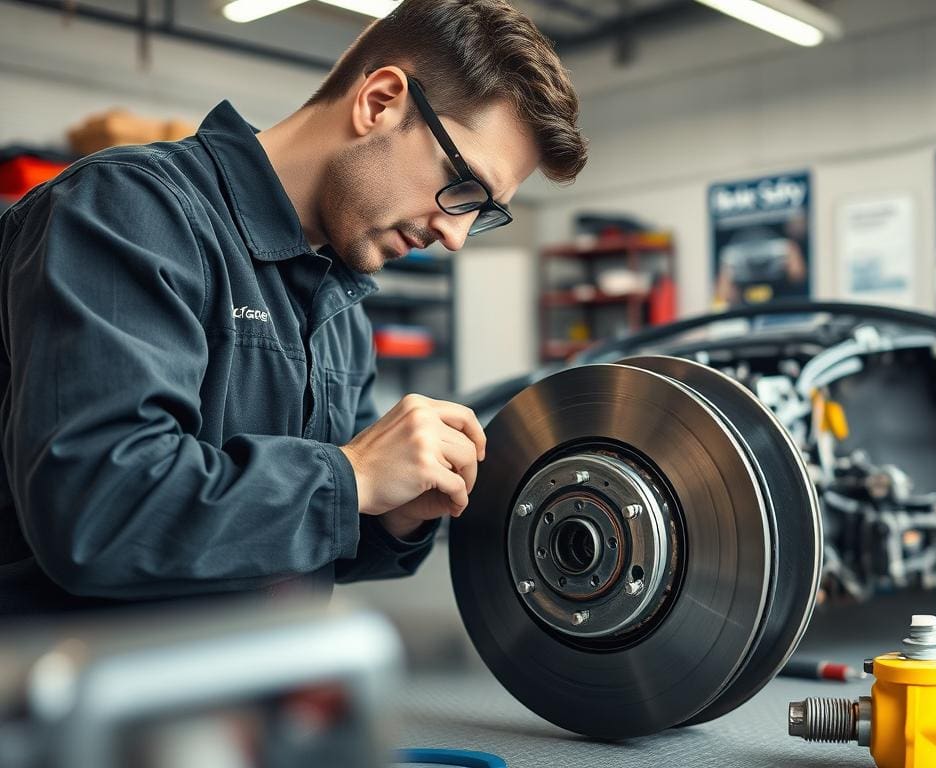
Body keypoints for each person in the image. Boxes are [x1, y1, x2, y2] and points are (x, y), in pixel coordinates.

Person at [0, 0, 587, 615]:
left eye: (482, 212)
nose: (456, 235)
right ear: (380, 102)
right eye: (463, 187)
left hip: (255, 691)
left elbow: (305, 537)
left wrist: (396, 512)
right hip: (73, 692)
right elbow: (99, 510)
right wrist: (351, 475)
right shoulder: (127, 213)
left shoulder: (339, 299)